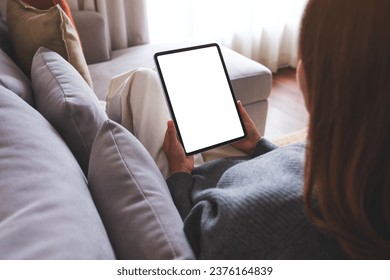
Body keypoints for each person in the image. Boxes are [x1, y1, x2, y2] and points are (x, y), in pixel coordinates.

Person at [107, 0, 390, 259]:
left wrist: (179, 173)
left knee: (141, 82)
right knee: (209, 121)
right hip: (245, 168)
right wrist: (259, 146)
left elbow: (185, 233)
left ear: (305, 76)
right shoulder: (358, 165)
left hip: (189, 191)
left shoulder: (256, 222)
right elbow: (301, 168)